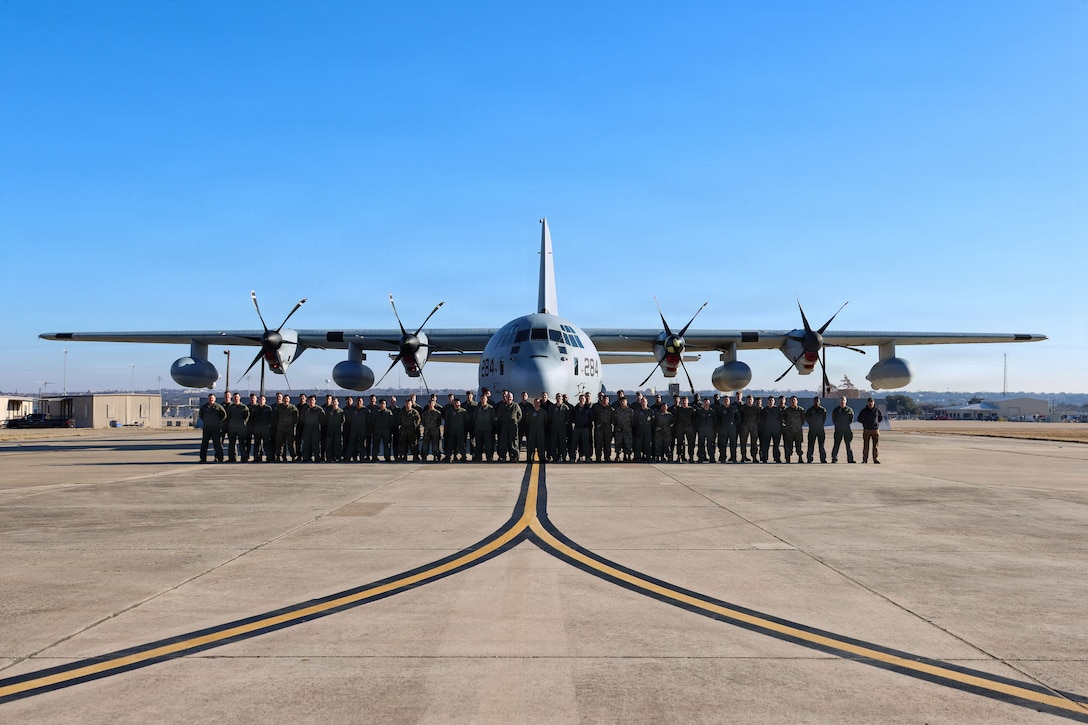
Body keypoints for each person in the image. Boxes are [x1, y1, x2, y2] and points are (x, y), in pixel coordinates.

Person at [198, 393, 227, 463]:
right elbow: (201, 415)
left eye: (212, 398)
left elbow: (224, 415)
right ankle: (203, 458)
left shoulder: (218, 407)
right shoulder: (204, 407)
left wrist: (218, 422)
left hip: (216, 428)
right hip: (207, 428)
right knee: (204, 443)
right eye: (210, 398)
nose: (211, 400)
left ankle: (219, 458)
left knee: (217, 444)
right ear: (208, 399)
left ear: (215, 399)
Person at [857, 397, 884, 464]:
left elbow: (880, 418)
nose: (871, 403)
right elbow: (859, 418)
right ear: (867, 403)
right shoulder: (864, 410)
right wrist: (865, 423)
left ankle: (875, 459)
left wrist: (876, 423)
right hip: (867, 430)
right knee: (866, 445)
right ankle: (865, 459)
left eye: (872, 402)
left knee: (875, 446)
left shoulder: (877, 410)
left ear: (874, 403)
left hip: (875, 430)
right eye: (869, 402)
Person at [225, 393, 250, 462]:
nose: (236, 398)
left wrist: (243, 424)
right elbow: (228, 416)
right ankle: (232, 458)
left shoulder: (244, 407)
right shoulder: (231, 407)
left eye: (237, 397)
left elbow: (247, 417)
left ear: (239, 398)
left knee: (242, 443)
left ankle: (244, 458)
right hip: (232, 428)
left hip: (241, 428)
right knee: (231, 444)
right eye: (235, 397)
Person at [249, 394, 274, 462]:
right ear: (258, 400)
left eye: (263, 399)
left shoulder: (268, 408)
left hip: (266, 429)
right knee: (257, 444)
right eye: (260, 399)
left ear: (265, 400)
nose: (261, 401)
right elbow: (252, 419)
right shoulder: (255, 408)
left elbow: (271, 419)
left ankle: (269, 458)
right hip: (257, 429)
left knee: (267, 444)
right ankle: (256, 458)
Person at [831, 396, 856, 463]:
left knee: (848, 445)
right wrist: (838, 425)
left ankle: (850, 459)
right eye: (841, 401)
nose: (842, 402)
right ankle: (834, 458)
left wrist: (846, 425)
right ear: (839, 401)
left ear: (846, 401)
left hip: (847, 430)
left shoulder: (849, 410)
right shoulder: (836, 410)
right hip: (838, 430)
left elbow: (851, 419)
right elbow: (834, 419)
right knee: (836, 444)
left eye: (843, 401)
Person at [781, 396, 805, 463]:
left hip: (798, 431)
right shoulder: (787, 410)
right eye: (792, 400)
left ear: (797, 401)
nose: (793, 401)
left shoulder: (801, 410)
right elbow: (784, 419)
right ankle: (788, 458)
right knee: (789, 446)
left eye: (794, 400)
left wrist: (798, 425)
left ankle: (800, 458)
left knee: (799, 446)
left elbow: (803, 419)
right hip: (789, 431)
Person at [524, 397, 549, 462]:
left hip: (540, 431)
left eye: (538, 402)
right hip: (532, 431)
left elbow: (546, 421)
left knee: (541, 445)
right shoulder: (530, 412)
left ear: (540, 403)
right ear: (534, 403)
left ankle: (542, 458)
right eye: (535, 403)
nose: (537, 404)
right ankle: (530, 458)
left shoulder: (543, 412)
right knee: (531, 445)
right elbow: (528, 420)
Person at [805, 396, 828, 463]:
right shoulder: (810, 410)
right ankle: (809, 459)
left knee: (821, 445)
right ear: (813, 402)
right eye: (815, 401)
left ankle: (823, 459)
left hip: (820, 430)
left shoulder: (823, 410)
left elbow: (824, 419)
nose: (816, 402)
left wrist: (819, 424)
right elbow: (807, 418)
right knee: (810, 445)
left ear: (819, 402)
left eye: (817, 401)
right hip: (812, 430)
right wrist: (812, 424)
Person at [325, 397, 346, 462]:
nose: (334, 403)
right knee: (329, 445)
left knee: (338, 445)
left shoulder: (341, 411)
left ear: (338, 403)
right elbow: (326, 420)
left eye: (335, 402)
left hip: (338, 431)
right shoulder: (329, 411)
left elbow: (343, 421)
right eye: (333, 402)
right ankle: (329, 458)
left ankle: (338, 457)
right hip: (330, 430)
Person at [695, 398, 717, 462]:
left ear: (709, 403)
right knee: (701, 444)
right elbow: (697, 421)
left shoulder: (712, 412)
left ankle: (712, 457)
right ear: (703, 403)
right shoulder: (700, 412)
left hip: (710, 431)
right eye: (705, 402)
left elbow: (715, 421)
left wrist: (714, 430)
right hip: (701, 430)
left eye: (707, 402)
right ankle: (701, 457)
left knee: (710, 444)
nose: (706, 404)